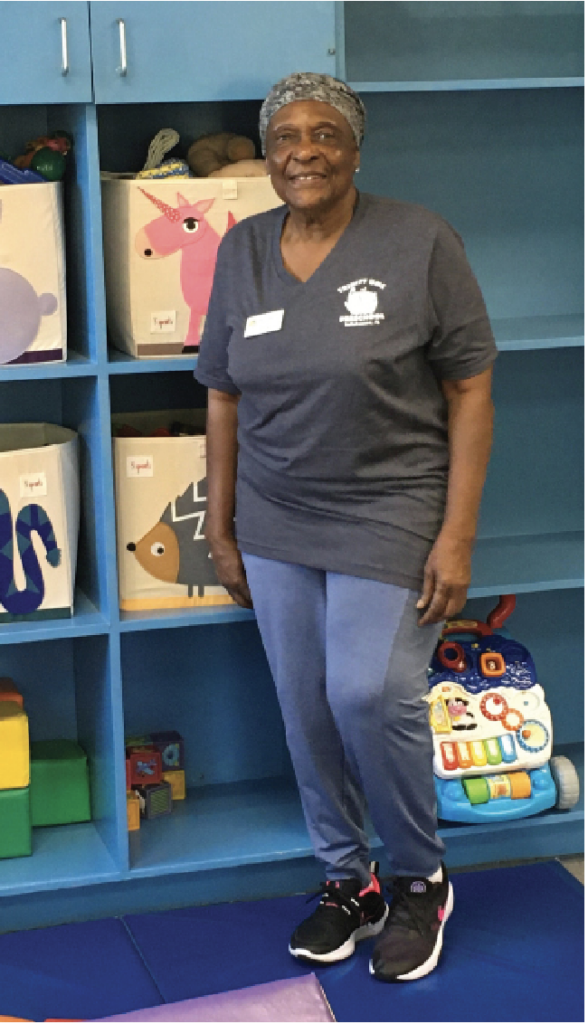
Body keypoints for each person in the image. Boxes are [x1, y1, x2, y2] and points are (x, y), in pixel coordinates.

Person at [194, 72, 496, 983]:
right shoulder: (243, 249)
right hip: (279, 517)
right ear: (268, 155)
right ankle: (346, 882)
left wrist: (457, 536)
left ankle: (417, 878)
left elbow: (470, 384)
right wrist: (221, 518)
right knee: (305, 707)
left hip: (393, 507)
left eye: (324, 133)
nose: (303, 150)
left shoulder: (418, 240)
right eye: (284, 136)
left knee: (369, 693)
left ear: (356, 148)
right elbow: (221, 390)